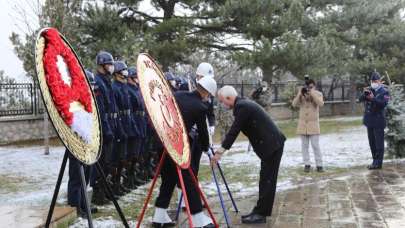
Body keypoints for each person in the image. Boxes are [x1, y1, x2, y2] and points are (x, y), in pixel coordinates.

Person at [212, 85, 286, 224]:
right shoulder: (242, 104)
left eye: (222, 101)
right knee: (265, 179)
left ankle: (261, 214)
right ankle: (259, 211)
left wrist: (220, 151)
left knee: (267, 180)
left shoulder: (242, 106)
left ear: (229, 98)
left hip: (272, 145)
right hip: (271, 144)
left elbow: (234, 130)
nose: (222, 104)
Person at [152, 77, 217, 228]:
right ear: (206, 92)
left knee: (168, 179)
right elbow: (203, 132)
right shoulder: (200, 107)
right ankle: (198, 219)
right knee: (190, 180)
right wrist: (207, 148)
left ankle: (159, 216)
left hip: (163, 142)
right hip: (179, 147)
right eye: (209, 95)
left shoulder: (178, 95)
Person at [67, 70, 96, 217]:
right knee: (77, 178)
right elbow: (76, 125)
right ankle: (75, 207)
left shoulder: (86, 100)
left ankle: (84, 205)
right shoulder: (74, 101)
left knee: (87, 175)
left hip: (87, 143)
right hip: (77, 143)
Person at [92, 51, 116, 205]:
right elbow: (100, 110)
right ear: (101, 65)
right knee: (101, 163)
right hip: (103, 127)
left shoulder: (107, 80)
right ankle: (97, 194)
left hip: (111, 124)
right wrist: (106, 130)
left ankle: (104, 191)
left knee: (108, 162)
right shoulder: (98, 82)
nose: (111, 67)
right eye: (109, 64)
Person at [112, 61, 139, 194]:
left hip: (129, 122)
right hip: (120, 123)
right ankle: (115, 185)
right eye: (123, 70)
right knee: (119, 158)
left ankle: (123, 182)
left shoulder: (123, 87)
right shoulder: (115, 87)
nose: (125, 73)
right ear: (117, 72)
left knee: (128, 156)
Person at [292, 78, 325, 172]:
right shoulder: (301, 95)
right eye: (308, 87)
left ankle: (319, 165)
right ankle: (307, 164)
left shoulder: (318, 94)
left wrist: (312, 92)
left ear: (314, 86)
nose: (309, 88)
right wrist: (299, 93)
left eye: (311, 87)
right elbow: (294, 104)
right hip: (303, 125)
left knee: (315, 145)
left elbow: (321, 103)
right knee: (304, 146)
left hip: (313, 124)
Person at [359, 71, 390, 169]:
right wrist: (364, 95)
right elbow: (359, 99)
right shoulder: (369, 90)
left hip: (378, 121)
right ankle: (374, 162)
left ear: (380, 81)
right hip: (370, 121)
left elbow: (383, 104)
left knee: (379, 144)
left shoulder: (385, 92)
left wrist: (372, 98)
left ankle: (378, 163)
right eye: (372, 81)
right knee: (372, 143)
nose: (374, 83)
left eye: (375, 81)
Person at [127, 66, 150, 186]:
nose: (137, 79)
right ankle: (128, 179)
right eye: (135, 77)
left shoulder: (137, 90)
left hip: (141, 121)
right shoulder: (129, 90)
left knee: (140, 152)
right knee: (132, 154)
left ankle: (134, 176)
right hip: (135, 120)